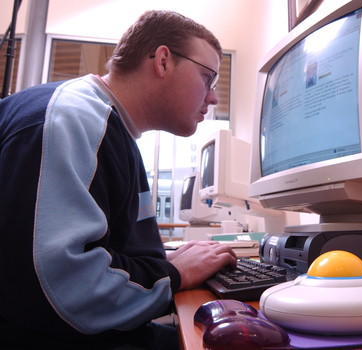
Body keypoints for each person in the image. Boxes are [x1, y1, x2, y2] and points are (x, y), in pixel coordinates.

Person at [0, 10, 237, 349]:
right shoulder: (71, 120)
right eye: (207, 77)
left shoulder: (112, 132)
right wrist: (176, 274)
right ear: (163, 61)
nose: (213, 97)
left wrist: (167, 261)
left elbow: (103, 250)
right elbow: (61, 291)